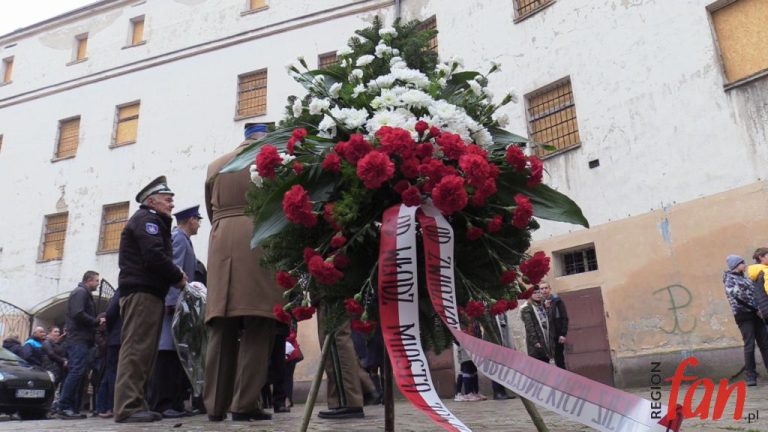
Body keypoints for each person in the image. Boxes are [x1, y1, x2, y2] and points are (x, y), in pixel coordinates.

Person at [203, 123, 283, 422]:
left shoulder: (216, 165)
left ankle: (214, 405)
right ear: (267, 136)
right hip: (260, 236)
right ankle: (244, 403)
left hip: (221, 240)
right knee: (258, 323)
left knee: (221, 324)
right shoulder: (274, 159)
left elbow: (211, 210)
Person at [114, 176, 187, 423]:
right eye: (168, 200)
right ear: (152, 200)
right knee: (136, 350)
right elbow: (153, 256)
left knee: (144, 352)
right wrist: (177, 276)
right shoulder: (147, 220)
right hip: (141, 293)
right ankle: (128, 407)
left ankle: (137, 403)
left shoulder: (153, 220)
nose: (171, 205)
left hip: (149, 292)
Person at [148, 205, 202, 419]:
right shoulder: (179, 238)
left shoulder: (184, 239)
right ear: (190, 220)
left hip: (179, 303)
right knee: (167, 352)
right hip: (173, 304)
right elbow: (174, 268)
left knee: (176, 353)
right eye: (198, 219)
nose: (199, 223)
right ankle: (163, 403)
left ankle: (175, 402)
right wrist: (171, 301)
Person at [58, 271, 104, 420]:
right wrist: (96, 322)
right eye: (96, 280)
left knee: (78, 372)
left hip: (81, 339)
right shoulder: (80, 292)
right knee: (76, 371)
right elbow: (78, 313)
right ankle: (64, 407)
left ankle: (70, 407)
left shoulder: (83, 293)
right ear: (89, 280)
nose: (98, 283)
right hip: (78, 339)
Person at [724, 254, 768, 386]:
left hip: (756, 314)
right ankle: (751, 376)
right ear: (736, 265)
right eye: (742, 263)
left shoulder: (745, 278)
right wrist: (756, 309)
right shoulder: (729, 279)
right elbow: (740, 297)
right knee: (749, 345)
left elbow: (754, 293)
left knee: (765, 344)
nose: (745, 265)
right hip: (744, 316)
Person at [96, 290, 121, 419]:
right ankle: (106, 407)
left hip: (113, 343)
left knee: (109, 377)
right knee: (108, 378)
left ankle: (110, 406)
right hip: (108, 349)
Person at [520, 285, 555, 363]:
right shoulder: (526, 307)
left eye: (539, 292)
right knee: (540, 362)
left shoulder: (542, 304)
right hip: (537, 341)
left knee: (547, 360)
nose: (538, 294)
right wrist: (535, 342)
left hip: (546, 338)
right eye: (534, 293)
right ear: (530, 295)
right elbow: (529, 326)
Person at [541, 282, 569, 369]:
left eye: (546, 288)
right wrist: (544, 307)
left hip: (557, 335)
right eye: (542, 289)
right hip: (545, 337)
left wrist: (563, 334)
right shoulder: (539, 304)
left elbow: (564, 318)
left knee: (559, 359)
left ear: (550, 289)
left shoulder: (557, 301)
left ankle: (564, 379)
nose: (544, 290)